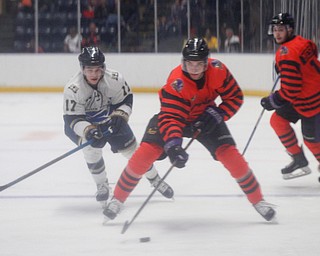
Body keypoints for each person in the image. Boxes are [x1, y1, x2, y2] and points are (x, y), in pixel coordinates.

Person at [103, 37, 276, 222]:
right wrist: (174, 146)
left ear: (206, 63)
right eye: (190, 63)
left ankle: (259, 201)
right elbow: (171, 118)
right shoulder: (175, 82)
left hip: (206, 118)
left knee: (232, 156)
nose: (194, 68)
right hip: (175, 118)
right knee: (144, 155)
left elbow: (235, 97)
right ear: (183, 62)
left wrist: (217, 114)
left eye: (199, 64)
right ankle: (117, 199)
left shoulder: (218, 70)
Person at [63, 46, 174, 207]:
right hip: (82, 124)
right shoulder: (73, 88)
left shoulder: (115, 79)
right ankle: (101, 185)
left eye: (97, 69)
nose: (94, 74)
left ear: (103, 68)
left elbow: (126, 100)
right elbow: (72, 119)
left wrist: (120, 115)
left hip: (109, 120)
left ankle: (154, 178)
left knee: (134, 151)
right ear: (82, 69)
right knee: (91, 150)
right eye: (89, 70)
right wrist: (88, 131)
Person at [261, 13, 320, 179]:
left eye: (281, 29)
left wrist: (272, 101)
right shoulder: (302, 41)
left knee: (312, 141)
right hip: (302, 98)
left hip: (312, 102)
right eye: (275, 30)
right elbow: (313, 52)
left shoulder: (285, 53)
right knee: (277, 121)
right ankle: (299, 158)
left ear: (290, 29)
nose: (277, 33)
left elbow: (291, 90)